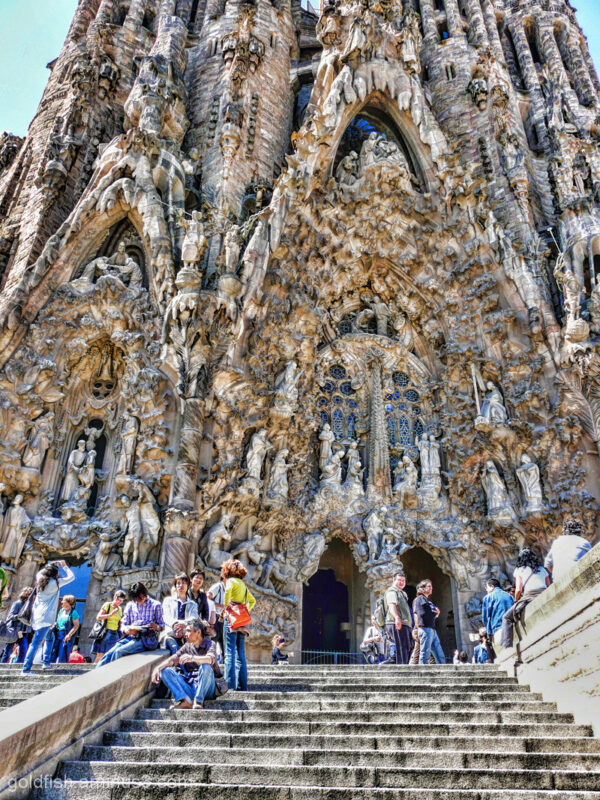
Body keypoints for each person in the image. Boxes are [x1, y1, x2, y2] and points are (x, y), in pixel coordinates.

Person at [152, 619, 221, 709]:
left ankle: (199, 701)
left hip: (206, 689)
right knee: (165, 671)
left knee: (206, 666)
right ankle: (186, 701)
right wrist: (157, 668)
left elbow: (210, 659)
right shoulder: (187, 646)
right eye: (186, 631)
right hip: (191, 686)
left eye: (189, 631)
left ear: (198, 632)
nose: (186, 634)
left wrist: (192, 658)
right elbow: (172, 660)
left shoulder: (210, 644)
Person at [22, 561, 75, 675]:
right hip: (46, 618)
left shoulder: (40, 580)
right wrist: (64, 566)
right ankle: (26, 669)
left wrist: (50, 564)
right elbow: (72, 577)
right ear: (55, 574)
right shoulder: (55, 583)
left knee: (50, 638)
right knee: (36, 643)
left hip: (37, 615)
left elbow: (40, 573)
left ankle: (46, 663)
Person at [96, 582, 164, 667]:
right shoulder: (130, 605)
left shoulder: (156, 605)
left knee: (119, 652)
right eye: (136, 600)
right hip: (130, 636)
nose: (138, 602)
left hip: (146, 638)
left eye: (140, 599)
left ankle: (114, 677)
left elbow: (162, 625)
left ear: (144, 594)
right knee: (107, 655)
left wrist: (156, 627)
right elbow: (123, 623)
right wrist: (126, 629)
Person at [500, 548, 550, 649]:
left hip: (529, 596)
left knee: (506, 617)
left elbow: (518, 589)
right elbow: (549, 586)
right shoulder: (542, 569)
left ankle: (507, 645)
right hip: (543, 593)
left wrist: (516, 601)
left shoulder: (519, 570)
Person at [222, 558, 255, 692]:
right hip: (242, 620)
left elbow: (227, 592)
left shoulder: (230, 581)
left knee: (229, 651)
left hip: (231, 619)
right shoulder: (243, 584)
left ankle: (229, 686)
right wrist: (245, 610)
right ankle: (243, 686)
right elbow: (253, 601)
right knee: (241, 653)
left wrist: (226, 608)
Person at [544, 518, 592, 582]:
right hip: (577, 578)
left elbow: (547, 564)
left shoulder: (557, 542)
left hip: (558, 580)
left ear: (564, 530)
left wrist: (558, 573)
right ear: (579, 530)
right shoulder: (583, 542)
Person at [162, 574, 198, 655]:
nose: (181, 585)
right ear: (175, 586)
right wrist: (175, 624)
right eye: (178, 583)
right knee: (174, 648)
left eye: (184, 583)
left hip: (187, 635)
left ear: (188, 585)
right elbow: (166, 616)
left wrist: (183, 625)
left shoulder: (193, 604)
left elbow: (194, 618)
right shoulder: (168, 601)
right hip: (170, 634)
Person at [413, 579, 446, 664]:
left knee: (439, 653)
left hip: (432, 629)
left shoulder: (428, 601)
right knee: (425, 653)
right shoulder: (420, 599)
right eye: (429, 586)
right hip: (425, 629)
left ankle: (443, 671)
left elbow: (433, 613)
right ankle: (422, 673)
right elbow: (423, 614)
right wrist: (435, 611)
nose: (431, 588)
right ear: (423, 588)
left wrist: (435, 612)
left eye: (431, 586)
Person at [91, 590, 127, 664]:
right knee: (100, 654)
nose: (119, 602)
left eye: (121, 601)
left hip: (115, 633)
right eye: (119, 600)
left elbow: (119, 621)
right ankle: (94, 671)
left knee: (111, 655)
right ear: (115, 597)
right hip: (106, 632)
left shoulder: (120, 609)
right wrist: (110, 615)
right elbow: (98, 617)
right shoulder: (107, 605)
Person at [384, 573, 413, 664]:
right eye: (399, 580)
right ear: (393, 580)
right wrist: (397, 618)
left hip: (404, 624)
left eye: (403, 581)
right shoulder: (392, 591)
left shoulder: (402, 593)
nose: (401, 582)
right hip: (396, 623)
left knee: (405, 648)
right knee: (402, 649)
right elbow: (392, 605)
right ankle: (402, 672)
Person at [44, 594, 80, 664]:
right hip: (57, 633)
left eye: (63, 600)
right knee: (53, 652)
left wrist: (69, 635)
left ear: (68, 602)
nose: (61, 602)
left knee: (63, 653)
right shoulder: (61, 611)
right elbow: (58, 621)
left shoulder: (74, 612)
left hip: (65, 634)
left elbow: (76, 625)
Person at [0, 586, 33, 663]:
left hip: (23, 632)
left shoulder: (30, 605)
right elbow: (10, 616)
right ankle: (3, 665)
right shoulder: (18, 603)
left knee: (23, 648)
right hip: (14, 630)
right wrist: (19, 616)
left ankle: (19, 664)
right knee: (8, 650)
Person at [207, 576, 226, 658]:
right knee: (214, 637)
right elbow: (207, 598)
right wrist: (221, 606)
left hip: (222, 618)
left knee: (223, 639)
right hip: (215, 616)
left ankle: (223, 660)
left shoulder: (227, 590)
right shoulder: (218, 586)